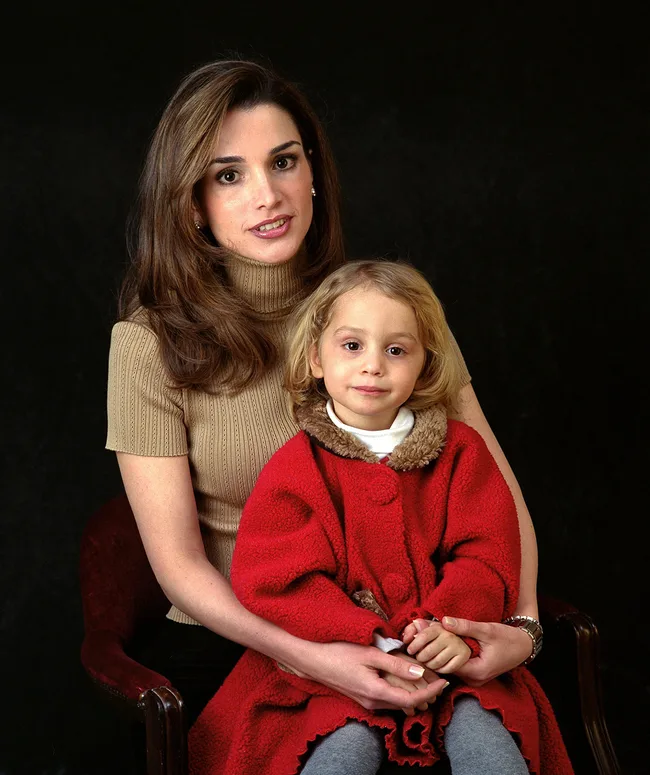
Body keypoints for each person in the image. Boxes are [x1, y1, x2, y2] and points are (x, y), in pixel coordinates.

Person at [106, 58, 540, 730]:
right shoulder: (146, 344)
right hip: (245, 640)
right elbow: (181, 566)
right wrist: (315, 655)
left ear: (313, 174)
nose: (266, 195)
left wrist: (521, 626)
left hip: (415, 631)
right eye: (229, 175)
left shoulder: (389, 311)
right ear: (193, 203)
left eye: (283, 162)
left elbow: (496, 489)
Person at [188, 260, 573, 775]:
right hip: (335, 669)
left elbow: (487, 553)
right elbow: (277, 578)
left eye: (396, 350)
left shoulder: (461, 453)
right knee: (338, 756)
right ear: (315, 358)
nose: (373, 366)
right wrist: (363, 634)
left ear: (424, 366)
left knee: (495, 752)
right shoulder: (295, 468)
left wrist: (444, 629)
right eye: (352, 346)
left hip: (453, 660)